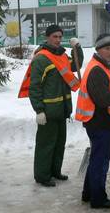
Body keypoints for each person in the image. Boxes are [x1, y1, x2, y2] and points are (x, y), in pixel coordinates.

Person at [18, 24, 84, 187]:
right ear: (47, 38)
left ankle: (55, 171)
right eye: (55, 37)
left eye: (60, 37)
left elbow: (76, 65)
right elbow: (35, 87)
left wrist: (77, 48)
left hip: (62, 110)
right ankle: (42, 176)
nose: (58, 40)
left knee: (59, 144)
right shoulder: (42, 58)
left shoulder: (62, 56)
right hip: (47, 111)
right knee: (46, 145)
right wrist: (39, 110)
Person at [75, 34, 110, 208]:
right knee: (100, 160)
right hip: (99, 123)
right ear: (98, 49)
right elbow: (103, 99)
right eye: (107, 48)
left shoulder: (101, 66)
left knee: (96, 158)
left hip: (99, 121)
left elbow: (105, 97)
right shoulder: (97, 70)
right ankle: (98, 199)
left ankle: (88, 193)